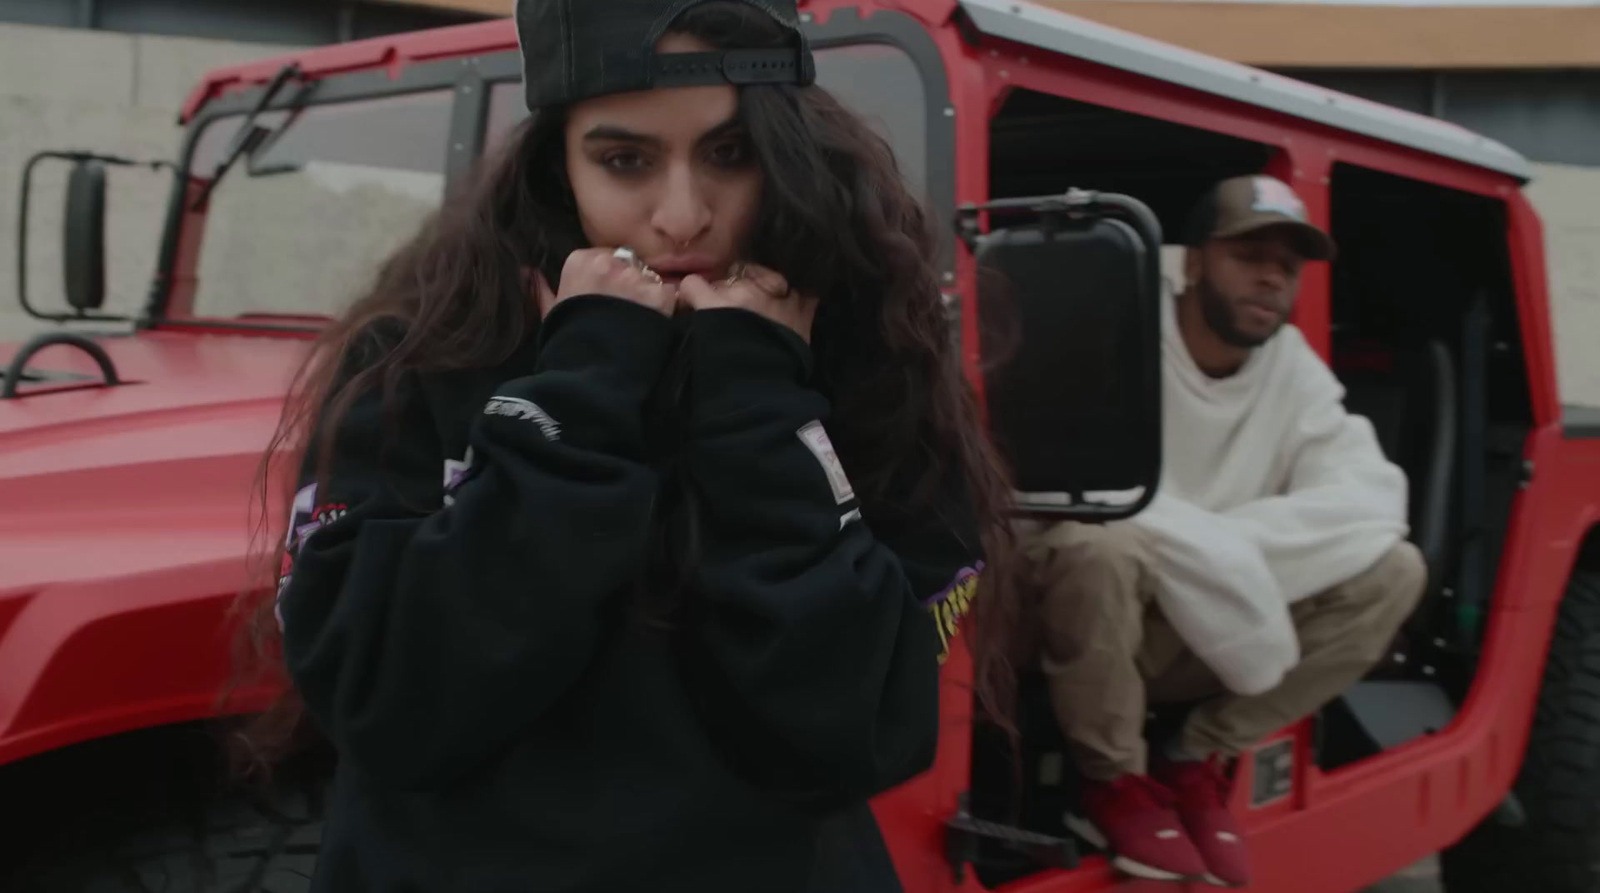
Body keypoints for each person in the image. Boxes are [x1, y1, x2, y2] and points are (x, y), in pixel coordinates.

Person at [239, 1, 1022, 891]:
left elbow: (851, 735)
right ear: (556, 167)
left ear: (790, 156)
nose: (682, 216)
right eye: (624, 160)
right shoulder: (423, 359)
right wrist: (581, 388)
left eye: (731, 155)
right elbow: (385, 702)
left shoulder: (868, 363)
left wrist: (761, 406)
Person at [1021, 175, 1427, 887]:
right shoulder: (1117, 326)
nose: (1272, 276)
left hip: (1199, 619)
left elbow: (1372, 497)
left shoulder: (1291, 367)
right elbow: (1062, 495)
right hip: (1075, 618)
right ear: (1198, 258)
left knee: (1396, 571)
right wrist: (1204, 550)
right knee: (1097, 543)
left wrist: (1211, 547)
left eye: (1288, 264)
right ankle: (1113, 782)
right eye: (1250, 253)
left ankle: (1193, 758)